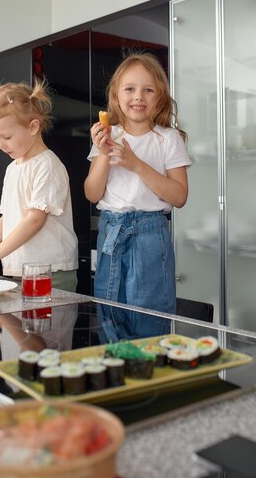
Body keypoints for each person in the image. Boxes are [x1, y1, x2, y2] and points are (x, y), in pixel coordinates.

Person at [84, 51, 192, 319]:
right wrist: (102, 153)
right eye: (130, 89)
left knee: (148, 317)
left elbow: (179, 196)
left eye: (148, 90)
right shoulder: (109, 136)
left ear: (160, 96)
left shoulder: (168, 139)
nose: (138, 97)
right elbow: (92, 193)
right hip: (111, 230)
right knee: (109, 313)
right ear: (117, 95)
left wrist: (137, 165)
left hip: (150, 235)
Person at [0, 80, 78, 291]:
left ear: (33, 127)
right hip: (20, 269)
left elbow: (35, 219)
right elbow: (8, 217)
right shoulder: (13, 168)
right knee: (22, 324)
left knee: (46, 324)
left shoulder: (47, 165)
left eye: (7, 137)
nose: (0, 145)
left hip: (50, 271)